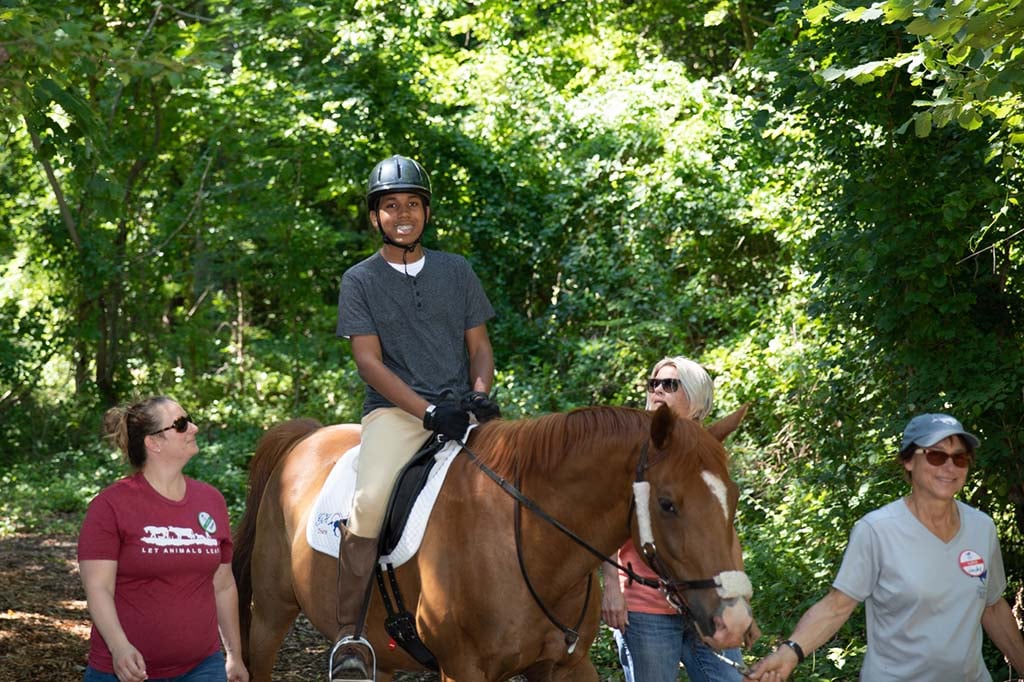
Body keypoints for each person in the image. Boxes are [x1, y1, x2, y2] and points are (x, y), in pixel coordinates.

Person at [333, 153, 498, 679]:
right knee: (369, 502)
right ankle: (350, 640)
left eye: (411, 203)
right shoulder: (359, 280)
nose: (402, 213)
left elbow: (480, 346)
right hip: (397, 415)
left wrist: (478, 394)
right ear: (375, 216)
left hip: (462, 408)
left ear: (426, 212)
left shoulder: (458, 269)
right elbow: (367, 361)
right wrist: (427, 412)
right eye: (390, 205)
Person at [749, 412, 1024, 681]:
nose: (949, 468)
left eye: (960, 458)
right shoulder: (877, 530)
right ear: (907, 461)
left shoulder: (981, 527)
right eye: (936, 455)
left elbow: (992, 607)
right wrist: (790, 653)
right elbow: (836, 607)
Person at [78, 396, 248, 682]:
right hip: (126, 672)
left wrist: (234, 655)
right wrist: (119, 647)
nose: (193, 427)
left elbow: (223, 585)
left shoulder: (211, 500)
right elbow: (98, 588)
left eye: (189, 420)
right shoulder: (110, 506)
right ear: (153, 442)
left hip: (203, 669)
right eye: (181, 424)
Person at [601, 356, 748, 682]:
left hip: (707, 604)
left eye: (669, 384)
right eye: (654, 384)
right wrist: (611, 587)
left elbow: (724, 534)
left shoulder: (706, 454)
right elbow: (604, 518)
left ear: (695, 399)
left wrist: (739, 601)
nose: (657, 391)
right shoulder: (631, 448)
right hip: (646, 608)